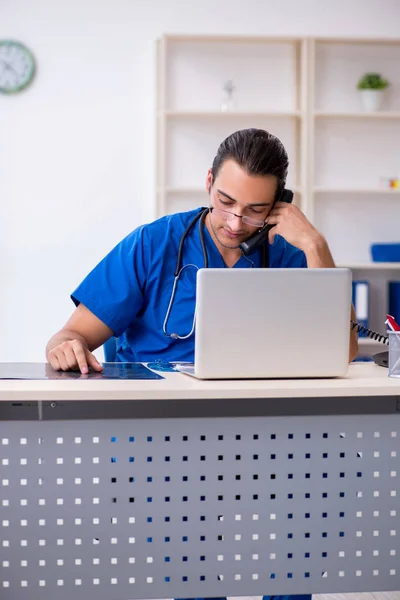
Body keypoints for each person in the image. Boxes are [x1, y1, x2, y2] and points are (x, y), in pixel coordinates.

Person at [46, 128, 358, 600]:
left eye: (255, 210)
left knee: (313, 511)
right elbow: (73, 333)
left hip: (264, 435)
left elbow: (345, 350)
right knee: (196, 579)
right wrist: (65, 345)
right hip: (166, 440)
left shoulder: (293, 253)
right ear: (209, 181)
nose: (235, 221)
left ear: (280, 204)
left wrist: (315, 244)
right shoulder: (154, 244)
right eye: (226, 200)